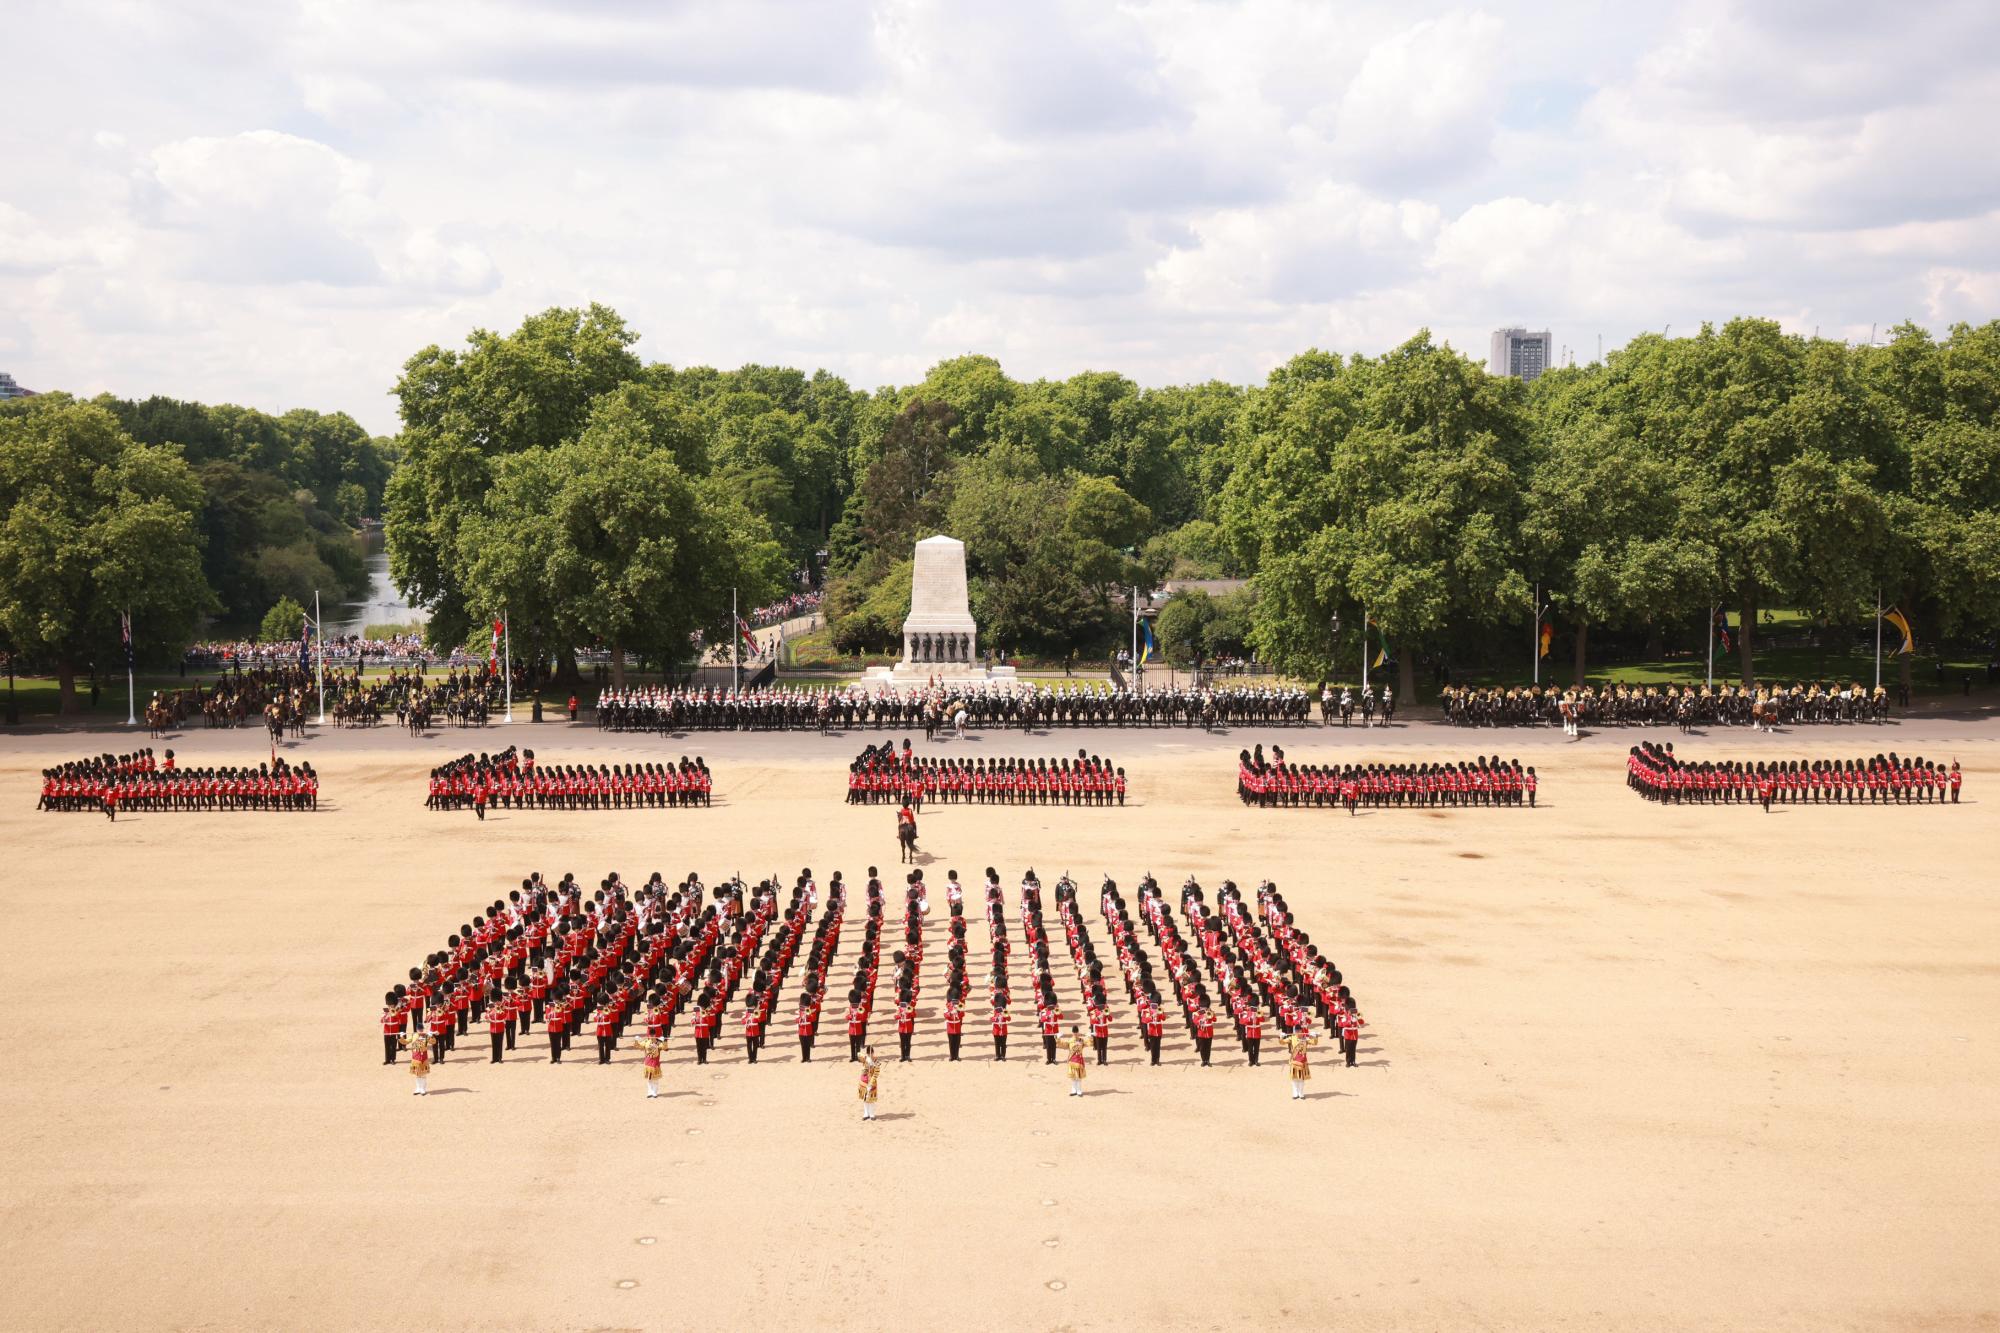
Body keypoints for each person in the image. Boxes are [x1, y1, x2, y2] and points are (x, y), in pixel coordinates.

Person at [1280, 1028, 1315, 1101]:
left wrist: (1314, 1036)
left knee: (1301, 1078)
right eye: (1296, 1031)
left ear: (1302, 1031)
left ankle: (1301, 1093)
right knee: (1294, 1078)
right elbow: (1282, 1042)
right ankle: (1295, 1093)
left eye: (1299, 1031)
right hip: (1294, 1060)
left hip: (1303, 1061)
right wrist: (1281, 1037)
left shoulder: (1306, 1038)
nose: (1297, 1032)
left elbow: (1314, 1043)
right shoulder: (1292, 1038)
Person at [399, 1030, 436, 1096]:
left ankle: (423, 1089)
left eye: (421, 1030)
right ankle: (418, 1088)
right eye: (419, 1030)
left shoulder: (426, 1035)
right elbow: (405, 1042)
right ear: (417, 1030)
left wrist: (431, 1036)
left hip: (423, 1058)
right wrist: (401, 1037)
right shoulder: (413, 1035)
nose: (420, 1031)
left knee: (423, 1075)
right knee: (417, 1074)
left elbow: (433, 1042)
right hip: (416, 1058)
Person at [636, 1034, 668, 1098]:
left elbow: (665, 1048)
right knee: (649, 1078)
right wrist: (637, 1040)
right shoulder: (646, 1042)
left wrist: (664, 1041)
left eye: (653, 1035)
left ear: (655, 1035)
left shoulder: (659, 1042)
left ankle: (654, 1092)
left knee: (655, 1079)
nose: (652, 1036)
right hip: (648, 1062)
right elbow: (639, 1046)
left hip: (655, 1063)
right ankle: (649, 1092)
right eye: (651, 1035)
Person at [858, 1046, 882, 1122]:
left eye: (871, 1053)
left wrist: (871, 1083)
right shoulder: (865, 1059)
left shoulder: (876, 1061)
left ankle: (872, 1114)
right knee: (865, 1098)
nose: (870, 1055)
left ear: (873, 1053)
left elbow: (876, 1073)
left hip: (872, 1081)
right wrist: (866, 1057)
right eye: (869, 1053)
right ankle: (866, 1113)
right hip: (864, 1080)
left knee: (871, 1099)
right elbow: (858, 1054)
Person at [1065, 1027, 1088, 1098]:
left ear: (1078, 1032)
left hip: (1079, 1060)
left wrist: (1090, 1037)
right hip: (1072, 1060)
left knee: (1079, 1077)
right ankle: (1073, 1090)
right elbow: (1063, 1045)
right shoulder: (1070, 1041)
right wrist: (1057, 1039)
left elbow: (1089, 1044)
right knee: (1073, 1077)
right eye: (1074, 1032)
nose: (1075, 1034)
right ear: (1072, 1033)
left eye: (1076, 1032)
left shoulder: (1081, 1040)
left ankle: (1079, 1090)